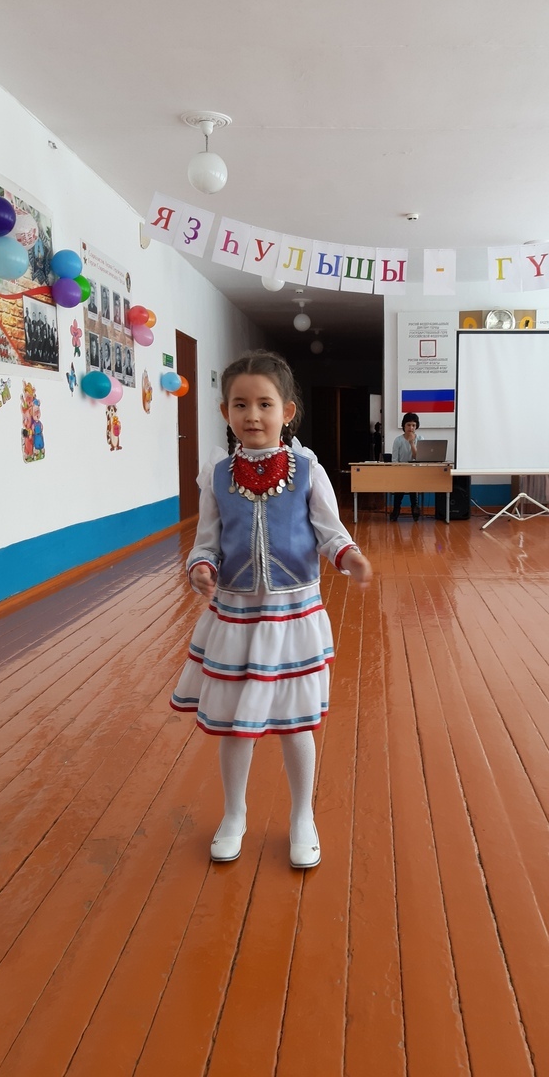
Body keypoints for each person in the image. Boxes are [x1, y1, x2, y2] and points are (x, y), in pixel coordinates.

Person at [171, 350, 372, 870]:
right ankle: (234, 814)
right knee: (235, 724)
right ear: (225, 412)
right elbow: (206, 541)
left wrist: (348, 556)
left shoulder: (308, 470)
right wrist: (201, 567)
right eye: (240, 404)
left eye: (265, 404)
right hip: (236, 618)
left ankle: (303, 816)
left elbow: (330, 531)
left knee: (295, 724)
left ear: (288, 411)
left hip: (293, 617)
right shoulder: (217, 475)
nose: (252, 415)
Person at [390, 412, 423, 520]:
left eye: (413, 425)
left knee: (413, 483)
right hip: (401, 471)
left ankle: (415, 508)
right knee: (401, 485)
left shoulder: (420, 439)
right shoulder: (398, 440)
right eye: (408, 425)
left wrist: (412, 443)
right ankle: (396, 509)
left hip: (415, 472)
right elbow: (394, 460)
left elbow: (419, 458)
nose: (411, 428)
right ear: (404, 426)